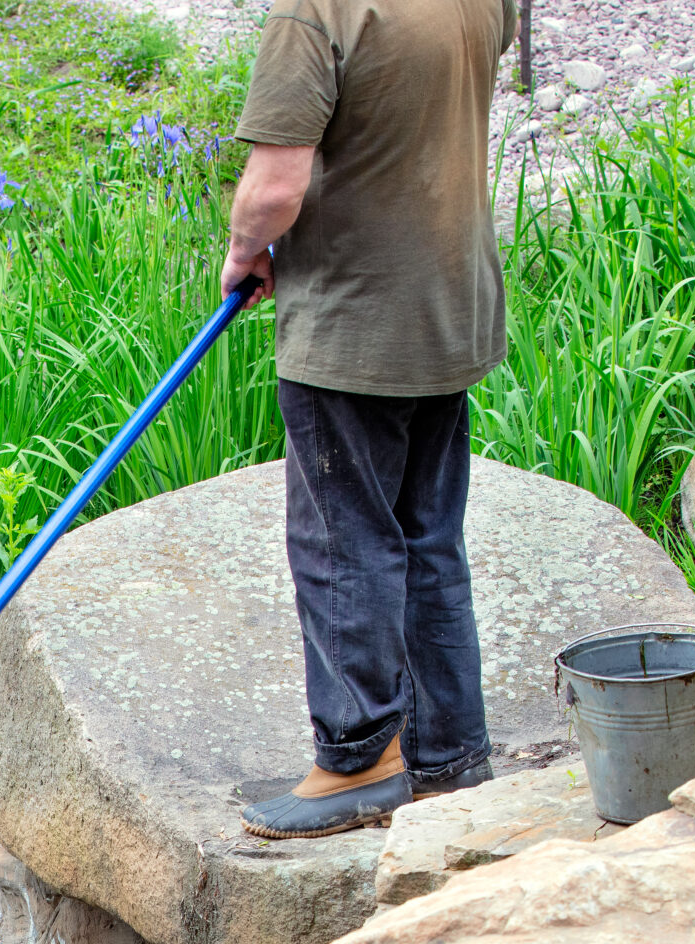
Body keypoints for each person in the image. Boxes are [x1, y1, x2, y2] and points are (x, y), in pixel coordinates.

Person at [223, 0, 523, 839]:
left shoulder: (312, 13)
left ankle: (358, 758)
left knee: (342, 542)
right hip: (449, 306)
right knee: (428, 535)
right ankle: (449, 755)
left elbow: (276, 187)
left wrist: (246, 253)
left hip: (354, 322)